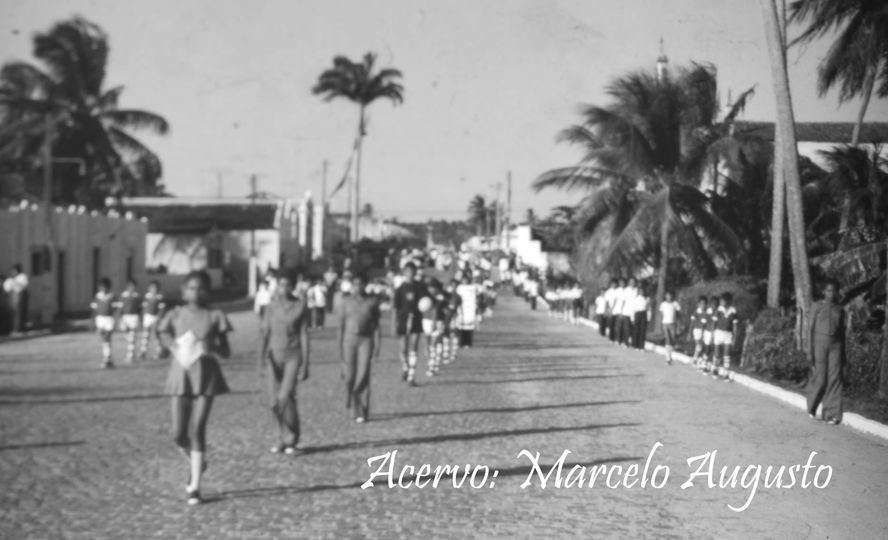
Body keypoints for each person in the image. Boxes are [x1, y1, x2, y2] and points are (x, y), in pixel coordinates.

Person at [157, 270, 232, 505]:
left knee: (197, 429)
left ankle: (195, 487)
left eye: (200, 288)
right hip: (181, 375)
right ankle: (195, 460)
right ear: (183, 290)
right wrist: (171, 344)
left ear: (208, 291)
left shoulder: (214, 315)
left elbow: (226, 351)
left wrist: (213, 347)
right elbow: (162, 332)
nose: (195, 292)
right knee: (179, 434)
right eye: (191, 288)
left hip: (206, 377)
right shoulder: (176, 314)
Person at [259, 273, 309, 454]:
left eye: (288, 285)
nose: (284, 289)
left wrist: (306, 363)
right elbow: (265, 332)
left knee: (285, 397)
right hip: (273, 355)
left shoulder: (300, 306)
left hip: (293, 355)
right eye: (281, 285)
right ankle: (280, 436)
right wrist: (260, 358)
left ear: (293, 286)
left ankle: (292, 439)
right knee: (273, 401)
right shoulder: (270, 307)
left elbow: (304, 334)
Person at [338, 272, 382, 423]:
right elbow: (340, 326)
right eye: (355, 284)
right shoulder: (346, 301)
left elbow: (376, 325)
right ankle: (350, 395)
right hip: (349, 340)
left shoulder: (372, 302)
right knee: (350, 376)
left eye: (361, 284)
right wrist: (339, 348)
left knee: (363, 374)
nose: (358, 287)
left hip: (365, 339)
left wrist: (377, 344)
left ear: (365, 285)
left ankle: (362, 409)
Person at [806, 278, 845, 425]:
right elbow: (809, 329)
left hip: (836, 345)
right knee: (820, 378)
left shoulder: (839, 309)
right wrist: (809, 351)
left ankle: (832, 414)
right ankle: (812, 406)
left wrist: (844, 355)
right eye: (829, 290)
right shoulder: (817, 306)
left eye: (834, 290)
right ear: (823, 292)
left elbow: (842, 333)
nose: (832, 293)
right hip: (819, 343)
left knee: (835, 378)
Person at [393, 262, 426, 385]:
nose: (410, 274)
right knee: (403, 348)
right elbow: (395, 308)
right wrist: (394, 323)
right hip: (403, 320)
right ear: (404, 272)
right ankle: (405, 368)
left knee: (414, 347)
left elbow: (427, 300)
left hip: (416, 319)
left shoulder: (420, 287)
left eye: (412, 271)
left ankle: (411, 376)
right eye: (408, 271)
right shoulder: (400, 289)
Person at [90, 278, 117, 368]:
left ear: (109, 287)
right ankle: (107, 359)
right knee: (104, 340)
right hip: (100, 319)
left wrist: (116, 320)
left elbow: (116, 310)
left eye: (105, 287)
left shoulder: (112, 296)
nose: (103, 289)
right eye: (101, 287)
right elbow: (94, 310)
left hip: (109, 319)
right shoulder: (97, 296)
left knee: (107, 339)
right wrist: (92, 321)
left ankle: (107, 359)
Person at [713, 293, 739, 380]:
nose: (720, 302)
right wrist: (713, 334)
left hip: (728, 334)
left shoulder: (733, 310)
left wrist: (734, 338)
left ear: (728, 301)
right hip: (718, 333)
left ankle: (726, 372)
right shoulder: (719, 309)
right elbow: (714, 323)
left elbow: (735, 325)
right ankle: (715, 369)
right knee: (717, 353)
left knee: (726, 354)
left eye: (722, 300)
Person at [117, 279, 143, 363]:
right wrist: (119, 317)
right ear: (127, 287)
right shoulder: (123, 296)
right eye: (130, 286)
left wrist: (140, 318)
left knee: (132, 336)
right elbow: (120, 307)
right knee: (125, 332)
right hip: (125, 317)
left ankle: (130, 356)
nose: (132, 288)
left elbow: (140, 308)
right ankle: (131, 349)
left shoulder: (137, 296)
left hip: (134, 317)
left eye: (133, 286)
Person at [141, 280, 166, 360]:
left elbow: (161, 309)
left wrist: (159, 318)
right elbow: (144, 307)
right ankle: (143, 352)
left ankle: (159, 352)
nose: (153, 289)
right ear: (149, 288)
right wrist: (143, 317)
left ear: (158, 289)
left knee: (157, 335)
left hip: (155, 318)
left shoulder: (160, 297)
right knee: (145, 335)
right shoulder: (146, 297)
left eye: (155, 288)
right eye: (152, 288)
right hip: (147, 317)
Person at [455, 273, 480, 348]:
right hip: (462, 309)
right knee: (461, 327)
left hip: (470, 309)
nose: (464, 281)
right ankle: (461, 342)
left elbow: (478, 294)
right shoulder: (459, 288)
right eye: (463, 280)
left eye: (466, 280)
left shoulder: (473, 287)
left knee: (469, 328)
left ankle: (468, 343)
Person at [3, 264, 29, 334]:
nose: (13, 272)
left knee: (19, 313)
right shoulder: (11, 279)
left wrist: (15, 282)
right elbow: (7, 289)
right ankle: (14, 328)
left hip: (20, 296)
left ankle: (19, 329)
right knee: (13, 313)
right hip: (13, 297)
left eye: (14, 271)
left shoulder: (22, 277)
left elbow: (24, 285)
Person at [659, 291, 681, 365]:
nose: (669, 297)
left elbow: (678, 314)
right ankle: (668, 358)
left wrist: (678, 323)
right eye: (667, 296)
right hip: (665, 324)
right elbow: (661, 315)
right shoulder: (663, 304)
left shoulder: (675, 304)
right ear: (665, 296)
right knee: (668, 339)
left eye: (670, 296)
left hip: (673, 324)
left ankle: (670, 355)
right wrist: (661, 324)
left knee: (672, 339)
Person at [689, 296, 708, 369]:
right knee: (699, 346)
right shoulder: (696, 312)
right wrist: (689, 332)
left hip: (704, 331)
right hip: (697, 330)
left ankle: (698, 359)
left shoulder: (707, 313)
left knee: (702, 346)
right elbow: (692, 322)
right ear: (698, 304)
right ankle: (695, 358)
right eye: (701, 304)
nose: (703, 305)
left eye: (704, 304)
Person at [702, 296, 719, 373]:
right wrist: (703, 332)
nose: (714, 305)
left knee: (713, 348)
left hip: (714, 332)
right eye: (712, 304)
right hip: (708, 331)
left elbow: (714, 324)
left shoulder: (717, 311)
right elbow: (706, 322)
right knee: (707, 348)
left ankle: (711, 365)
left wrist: (713, 334)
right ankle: (705, 364)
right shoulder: (708, 311)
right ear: (710, 304)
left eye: (715, 304)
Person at [631, 284, 650, 350]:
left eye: (643, 291)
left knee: (642, 331)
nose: (641, 292)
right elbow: (633, 309)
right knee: (636, 330)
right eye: (640, 291)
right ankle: (635, 345)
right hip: (637, 314)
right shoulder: (636, 299)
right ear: (638, 292)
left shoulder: (647, 299)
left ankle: (641, 346)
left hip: (643, 314)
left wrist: (648, 318)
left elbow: (648, 309)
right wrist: (632, 318)